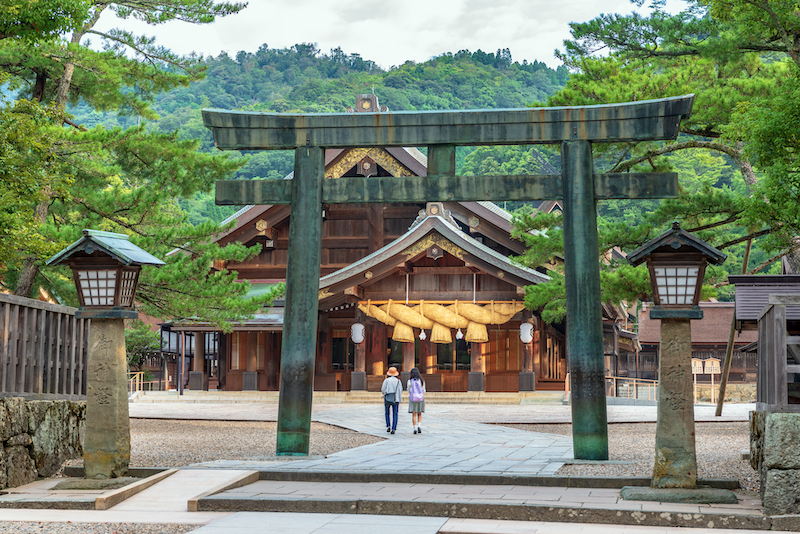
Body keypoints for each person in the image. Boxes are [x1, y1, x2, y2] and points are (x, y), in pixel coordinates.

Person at [381, 366, 402, 434]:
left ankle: (388, 426)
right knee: (395, 413)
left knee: (387, 412)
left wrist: (384, 393)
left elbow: (383, 389)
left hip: (388, 397)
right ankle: (394, 428)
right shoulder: (398, 381)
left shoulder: (386, 380)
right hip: (396, 398)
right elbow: (400, 390)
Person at [407, 367, 426, 434]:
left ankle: (414, 428)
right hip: (420, 398)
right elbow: (424, 390)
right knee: (419, 413)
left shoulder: (410, 381)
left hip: (413, 399)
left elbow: (408, 390)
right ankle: (419, 426)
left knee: (414, 414)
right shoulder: (421, 381)